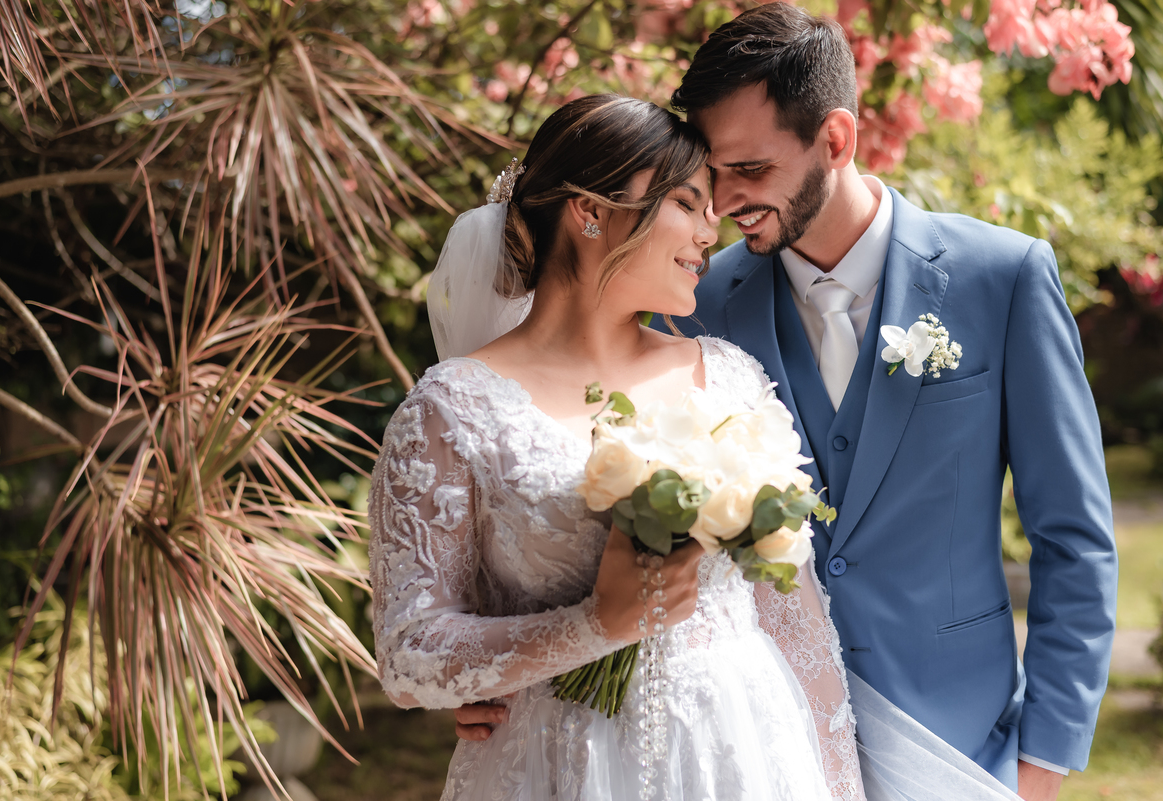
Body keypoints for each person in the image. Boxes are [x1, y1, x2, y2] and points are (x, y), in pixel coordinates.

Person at [372, 94, 1028, 801]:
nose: (711, 230)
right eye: (687, 203)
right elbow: (410, 650)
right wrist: (593, 626)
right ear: (590, 211)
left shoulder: (730, 376)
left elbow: (798, 626)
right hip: (556, 769)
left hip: (745, 756)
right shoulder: (450, 410)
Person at [659, 4, 1115, 800]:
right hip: (760, 742)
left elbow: (1074, 539)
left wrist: (1040, 765)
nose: (723, 201)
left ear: (836, 139)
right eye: (713, 171)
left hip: (956, 744)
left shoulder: (1002, 279)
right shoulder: (697, 305)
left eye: (752, 171)